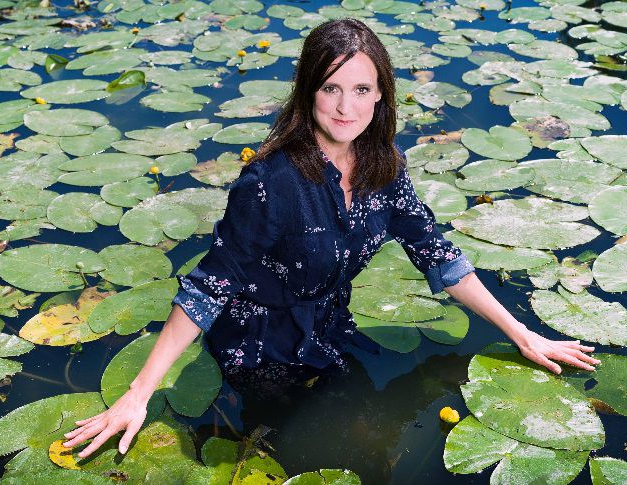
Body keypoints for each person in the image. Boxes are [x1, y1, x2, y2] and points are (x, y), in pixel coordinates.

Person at [63, 18, 599, 459]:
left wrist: (523, 334)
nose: (346, 107)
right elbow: (209, 287)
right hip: (259, 349)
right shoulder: (270, 183)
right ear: (308, 93)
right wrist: (138, 394)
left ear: (381, 96)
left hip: (329, 326)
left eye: (361, 89)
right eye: (331, 88)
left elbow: (436, 253)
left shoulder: (384, 167)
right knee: (329, 447)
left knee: (373, 433)